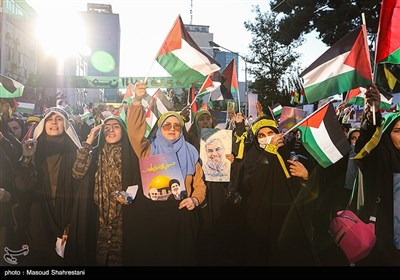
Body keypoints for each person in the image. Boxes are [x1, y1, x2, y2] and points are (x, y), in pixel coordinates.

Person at [126, 81, 206, 265]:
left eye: (176, 126)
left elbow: (199, 185)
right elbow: (134, 133)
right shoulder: (148, 148)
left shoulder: (192, 152)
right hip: (153, 216)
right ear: (160, 129)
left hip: (182, 216)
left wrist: (195, 200)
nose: (172, 129)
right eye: (167, 125)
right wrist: (137, 101)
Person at [238, 115, 316, 265]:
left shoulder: (287, 154)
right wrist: (270, 150)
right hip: (263, 224)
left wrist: (306, 177)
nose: (267, 138)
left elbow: (300, 191)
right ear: (255, 139)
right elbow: (252, 183)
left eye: (270, 133)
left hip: (287, 222)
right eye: (261, 135)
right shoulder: (252, 157)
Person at [14, 107, 82, 266]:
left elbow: (80, 188)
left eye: (58, 119)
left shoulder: (75, 152)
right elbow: (22, 186)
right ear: (43, 125)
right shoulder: (33, 150)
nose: (53, 123)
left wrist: (72, 221)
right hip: (38, 219)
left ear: (66, 124)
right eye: (49, 120)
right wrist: (27, 158)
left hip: (66, 218)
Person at [71, 115, 141, 266]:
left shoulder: (132, 154)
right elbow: (77, 173)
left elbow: (139, 182)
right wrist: (89, 141)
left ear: (123, 130)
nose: (110, 130)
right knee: (99, 259)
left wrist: (128, 196)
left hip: (124, 218)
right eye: (106, 128)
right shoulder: (95, 154)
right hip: (99, 218)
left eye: (115, 126)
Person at [353, 84, 400, 265]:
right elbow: (366, 146)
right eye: (397, 131)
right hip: (384, 237)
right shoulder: (380, 158)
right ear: (387, 135)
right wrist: (372, 112)